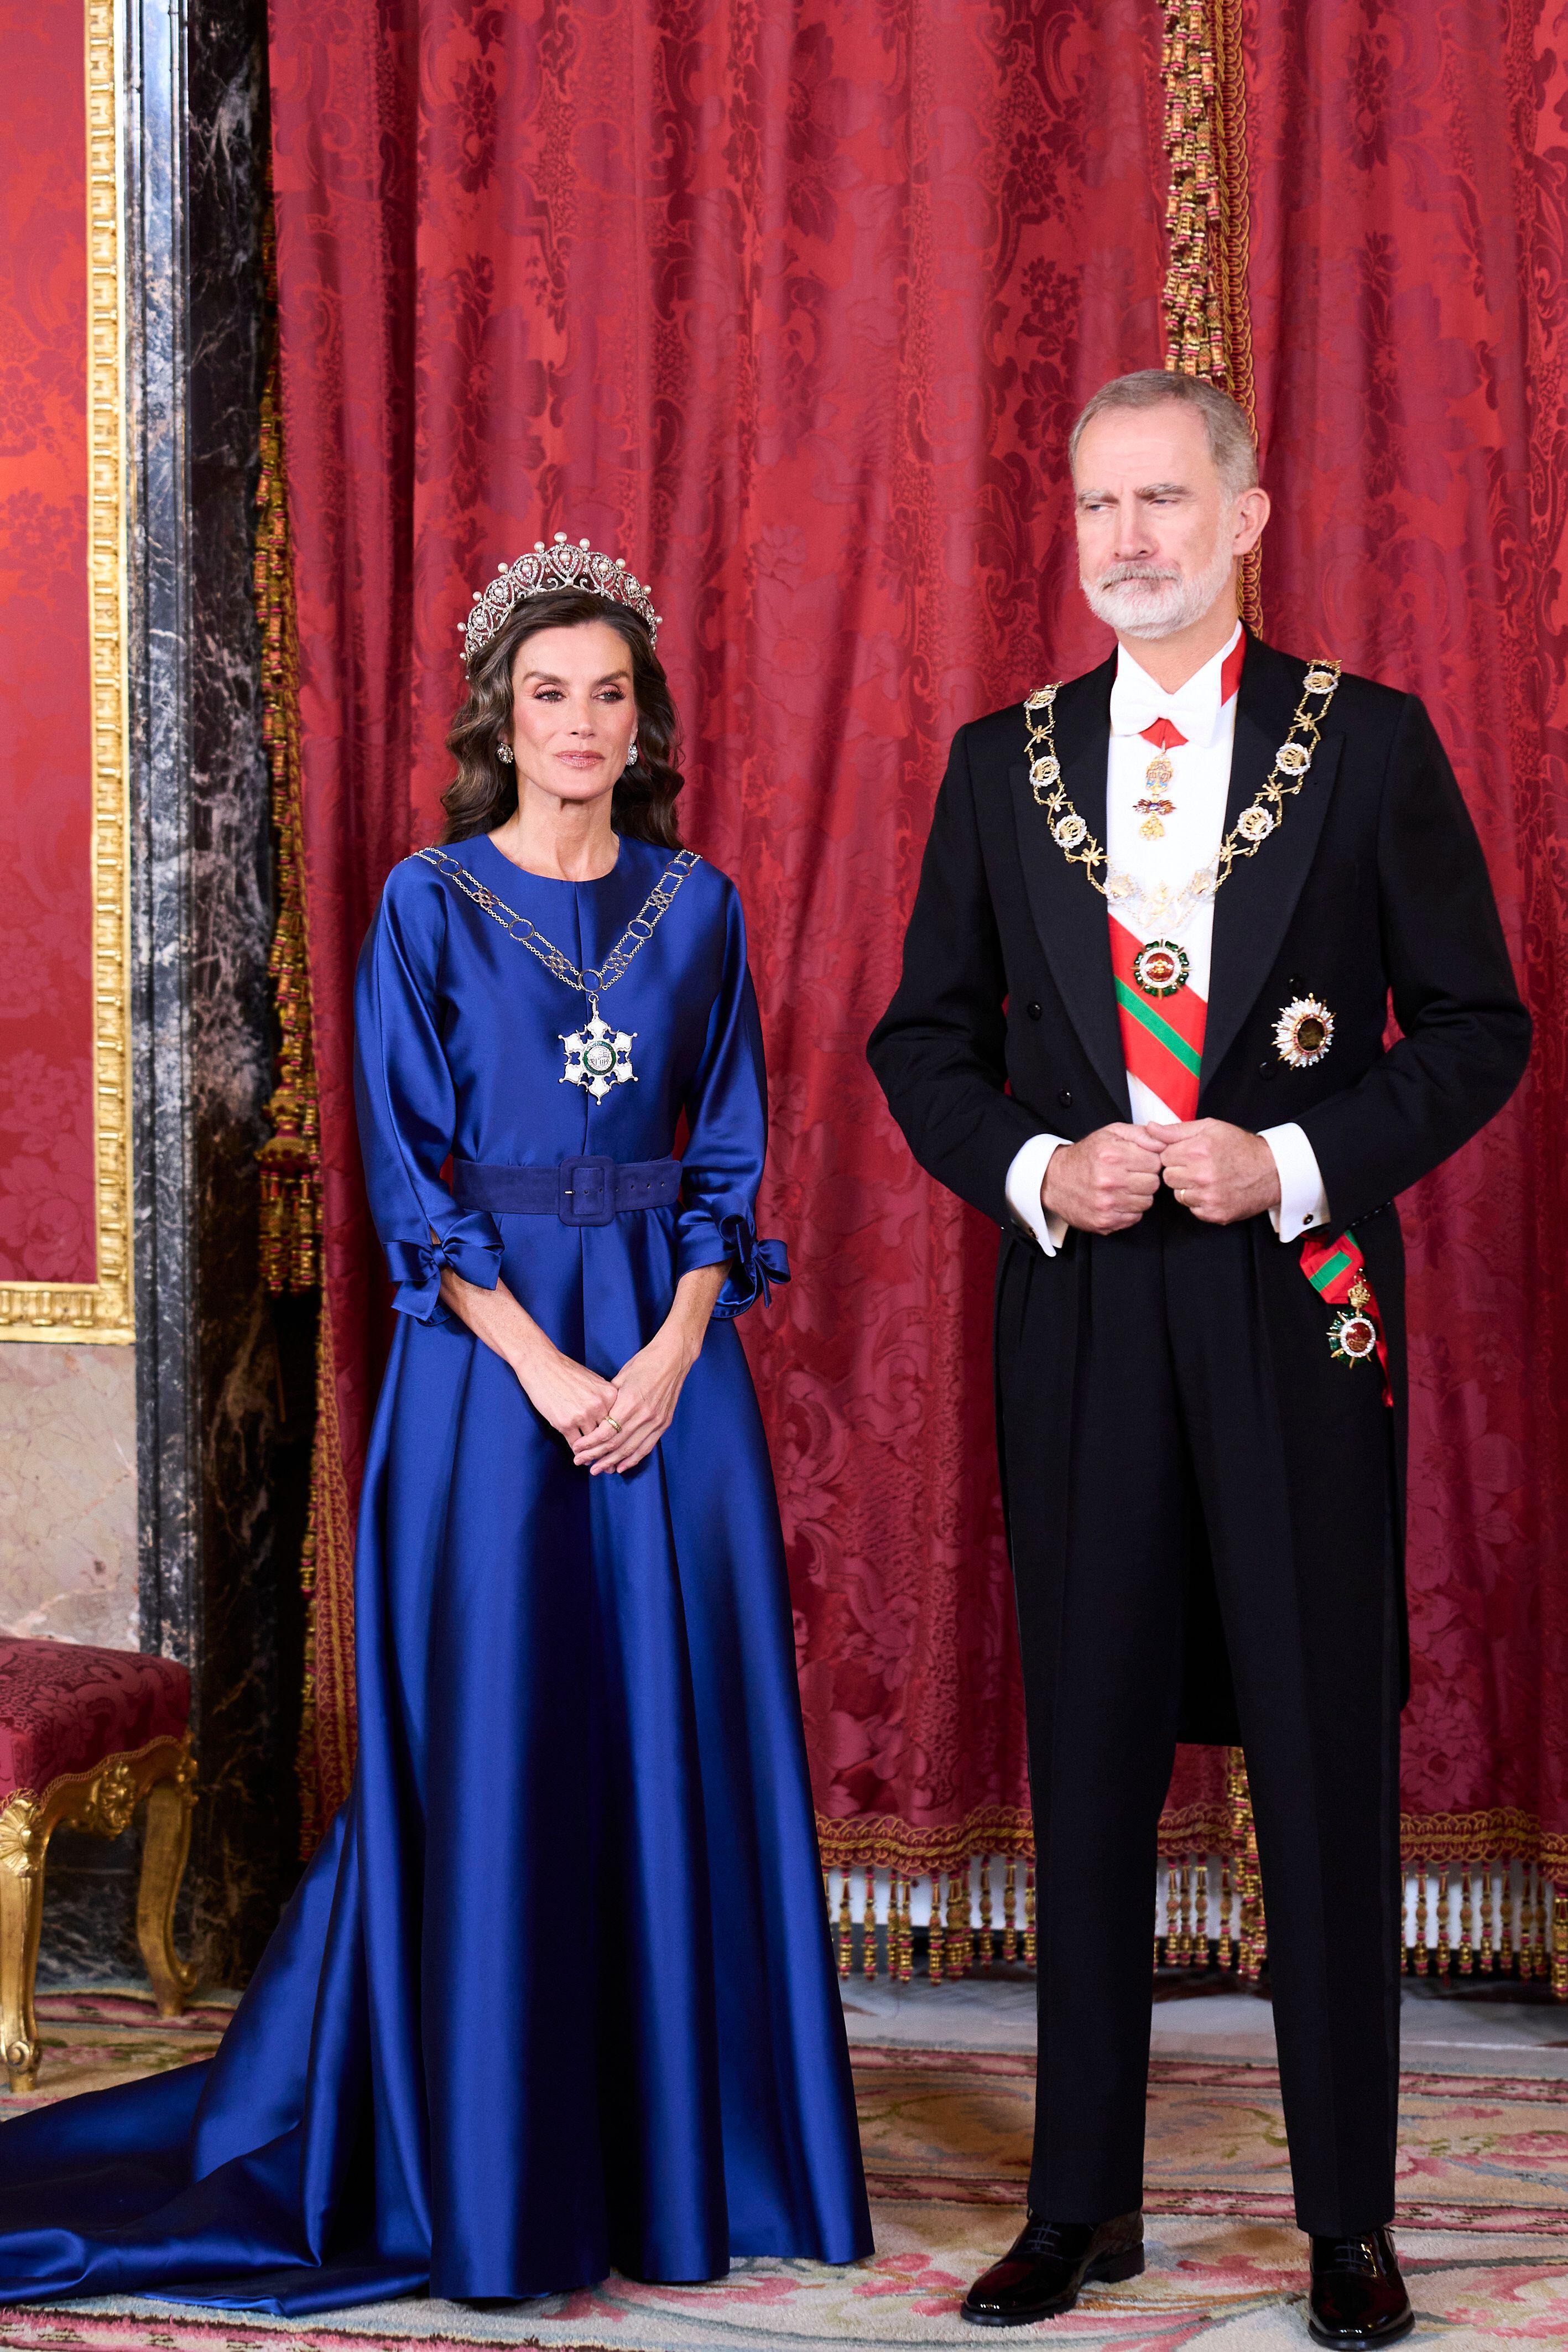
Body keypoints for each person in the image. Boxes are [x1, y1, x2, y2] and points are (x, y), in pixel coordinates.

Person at [0, 535, 872, 2311]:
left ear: (643, 722)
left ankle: (680, 2160)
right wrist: (544, 1368)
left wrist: (672, 1349)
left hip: (672, 1381)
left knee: (669, 1731)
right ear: (502, 719)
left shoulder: (699, 906)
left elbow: (727, 1152)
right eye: (548, 695)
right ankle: (484, 2159)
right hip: (488, 1382)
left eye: (607, 695)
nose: (579, 723)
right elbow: (410, 1177)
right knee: (496, 1740)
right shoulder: (426, 902)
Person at [868, 372, 1529, 2345]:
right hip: (1082, 1304)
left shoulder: (1367, 743)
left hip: (1291, 1301)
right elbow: (922, 1041)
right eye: (1097, 504)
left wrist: (1295, 1158)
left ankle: (1346, 2217)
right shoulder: (999, 763)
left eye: (1162, 499)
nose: (1126, 538)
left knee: (1319, 1745)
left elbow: (1478, 1028)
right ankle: (1081, 2201)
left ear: (1244, 514)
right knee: (1085, 1746)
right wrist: (1034, 1166)